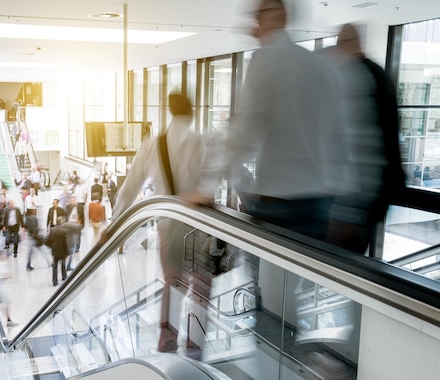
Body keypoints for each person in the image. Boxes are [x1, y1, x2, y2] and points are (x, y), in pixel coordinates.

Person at [191, 0, 346, 243]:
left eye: (259, 15)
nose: (255, 23)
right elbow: (337, 136)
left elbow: (244, 132)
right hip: (320, 200)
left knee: (269, 276)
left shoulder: (265, 59)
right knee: (305, 277)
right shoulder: (321, 66)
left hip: (280, 202)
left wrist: (207, 186)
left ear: (278, 16)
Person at [111, 92, 206, 353]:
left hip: (169, 224)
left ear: (170, 111)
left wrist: (113, 225)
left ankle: (167, 343)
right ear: (192, 111)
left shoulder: (153, 144)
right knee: (199, 286)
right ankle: (196, 347)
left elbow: (130, 187)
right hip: (200, 224)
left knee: (172, 283)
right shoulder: (201, 142)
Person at [322, 23, 406, 253]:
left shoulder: (360, 77)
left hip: (358, 199)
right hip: (372, 194)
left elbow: (360, 144)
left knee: (336, 265)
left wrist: (347, 208)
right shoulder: (375, 73)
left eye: (340, 44)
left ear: (354, 44)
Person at [46, 216, 69, 286]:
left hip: (55, 250)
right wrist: (67, 252)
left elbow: (47, 241)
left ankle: (55, 281)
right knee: (63, 265)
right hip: (62, 251)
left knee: (55, 266)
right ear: (62, 223)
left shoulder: (52, 230)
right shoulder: (64, 231)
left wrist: (51, 246)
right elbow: (65, 243)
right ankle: (64, 277)